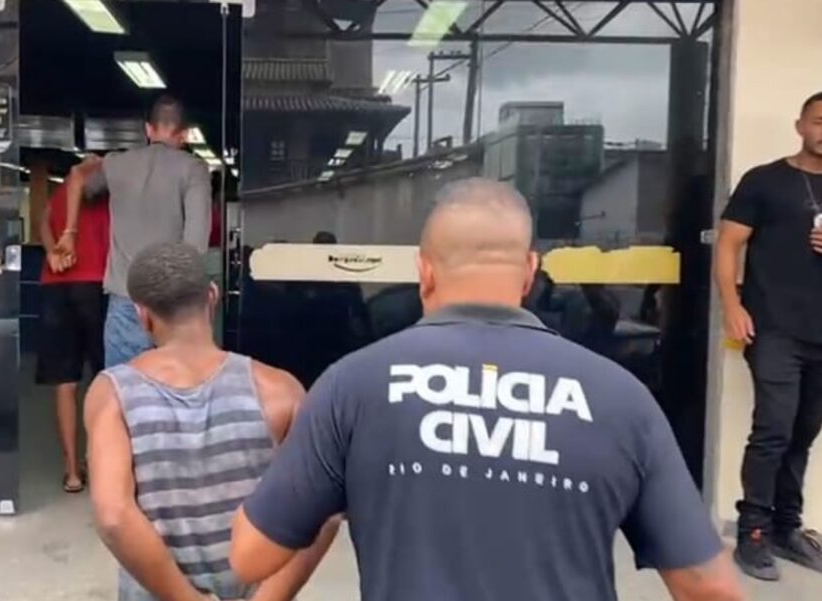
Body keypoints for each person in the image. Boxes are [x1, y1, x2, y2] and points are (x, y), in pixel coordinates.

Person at [231, 178, 743, 601]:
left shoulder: (351, 386)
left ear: (423, 272)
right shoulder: (621, 398)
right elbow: (710, 588)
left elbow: (250, 556)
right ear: (530, 272)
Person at [83, 243, 338, 601]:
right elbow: (322, 513)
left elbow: (113, 516)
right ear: (213, 295)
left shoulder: (112, 394)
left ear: (142, 315)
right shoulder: (279, 390)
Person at [715, 91, 822, 580]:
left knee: (803, 432)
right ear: (800, 125)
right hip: (774, 326)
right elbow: (728, 244)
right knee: (774, 429)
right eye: (818, 121)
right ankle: (753, 531)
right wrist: (732, 306)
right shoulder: (764, 181)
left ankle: (786, 527)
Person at [59, 95, 212, 368]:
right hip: (172, 304)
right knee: (173, 386)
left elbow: (78, 178)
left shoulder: (117, 164)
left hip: (126, 298)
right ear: (185, 134)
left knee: (123, 386)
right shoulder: (194, 169)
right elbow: (196, 245)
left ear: (148, 129)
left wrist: (69, 233)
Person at [37, 157, 109, 493]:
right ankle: (99, 462)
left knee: (65, 383)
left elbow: (42, 220)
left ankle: (72, 472)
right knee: (106, 380)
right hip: (97, 285)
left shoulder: (61, 191)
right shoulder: (110, 191)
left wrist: (52, 252)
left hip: (56, 285)